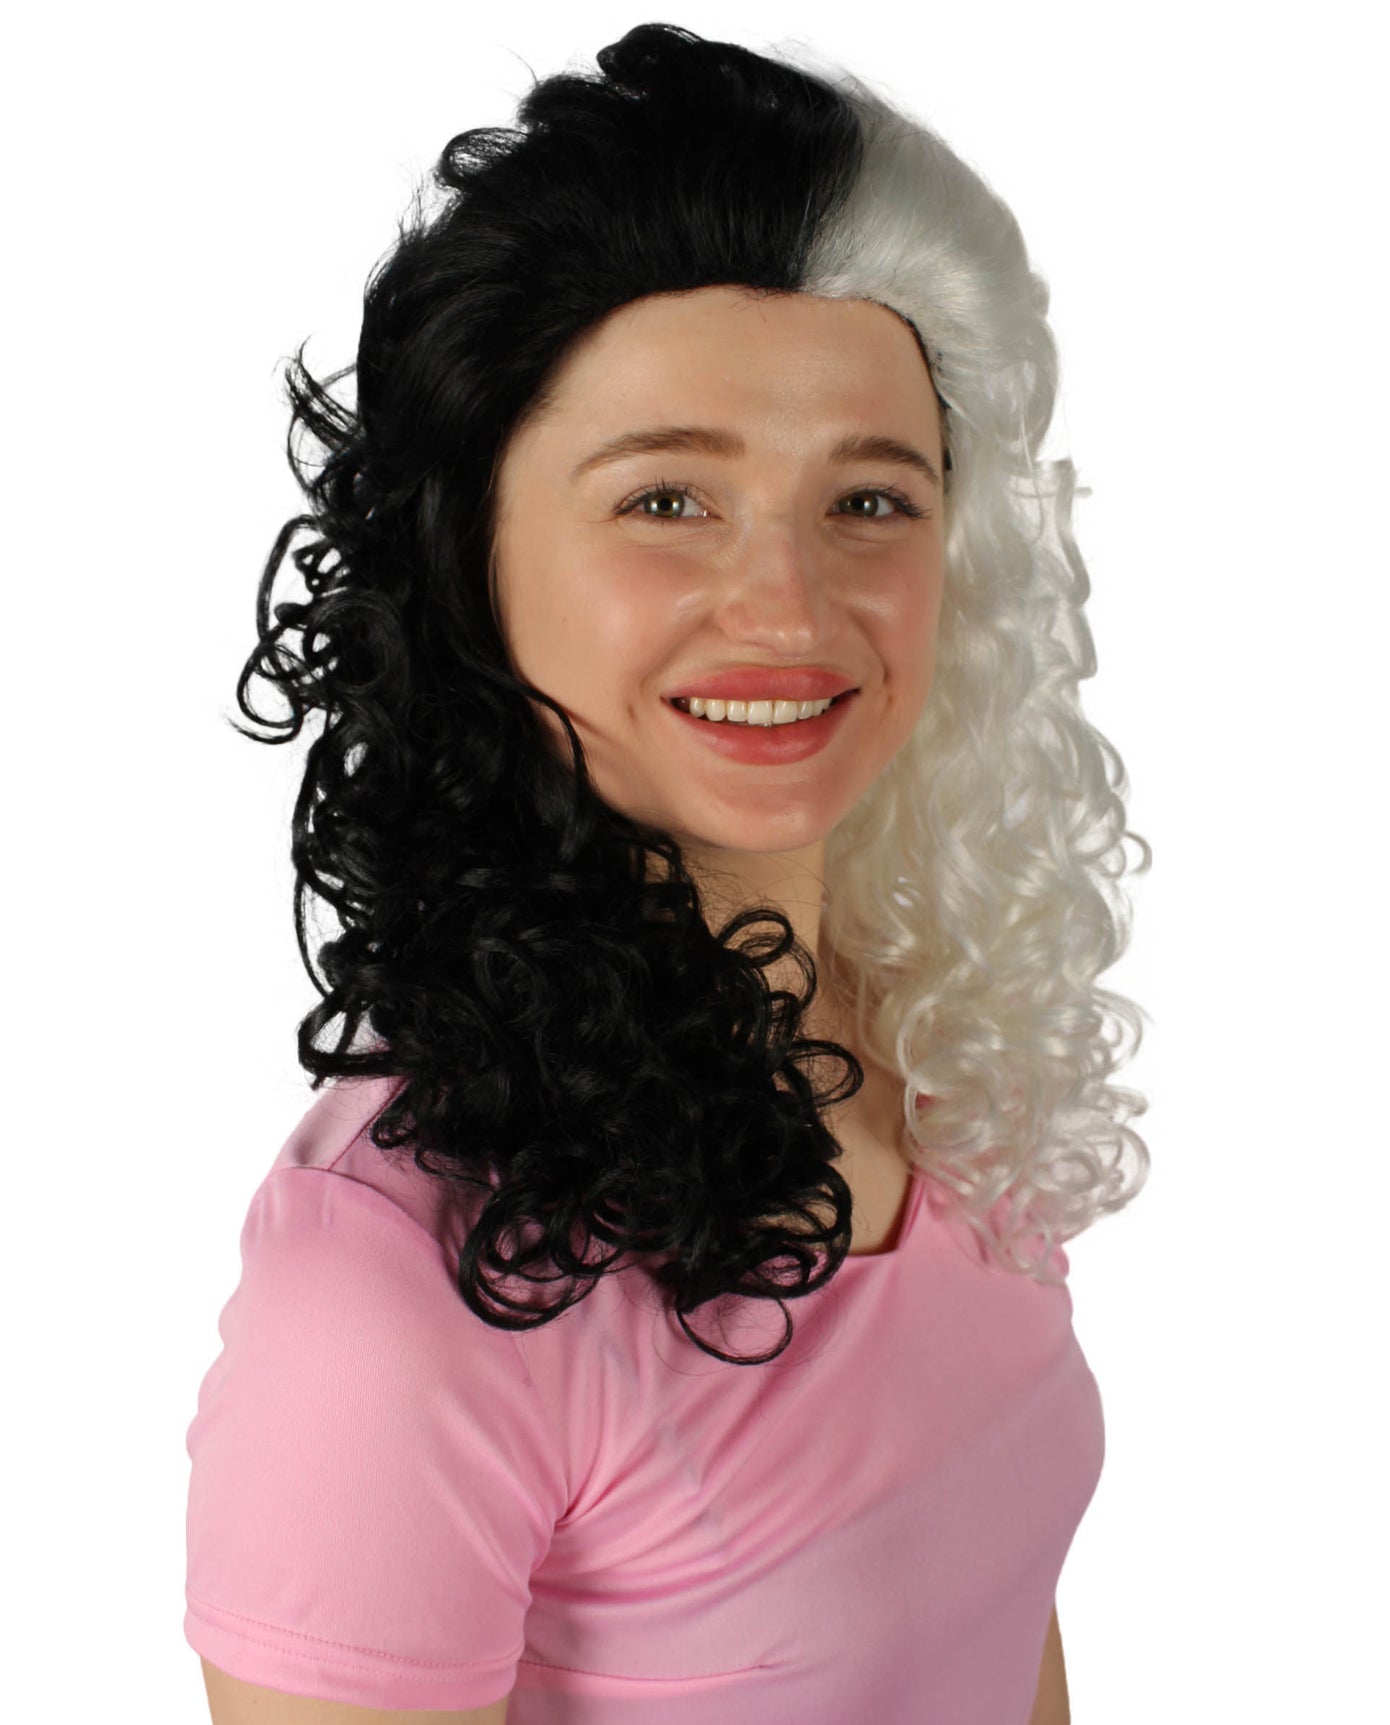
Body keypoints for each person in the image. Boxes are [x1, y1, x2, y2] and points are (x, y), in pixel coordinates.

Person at [185, 22, 1151, 1724]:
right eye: (666, 501)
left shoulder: (923, 1045)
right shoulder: (386, 1295)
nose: (787, 606)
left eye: (868, 501)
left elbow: (991, 1617)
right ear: (468, 559)